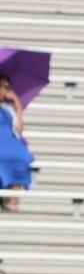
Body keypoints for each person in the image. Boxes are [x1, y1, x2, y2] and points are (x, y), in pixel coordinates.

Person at [0, 73, 33, 209]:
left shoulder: (9, 109)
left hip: (7, 141)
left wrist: (18, 105)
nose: (4, 89)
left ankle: (12, 201)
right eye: (1, 85)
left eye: (7, 86)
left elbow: (19, 130)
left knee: (22, 156)